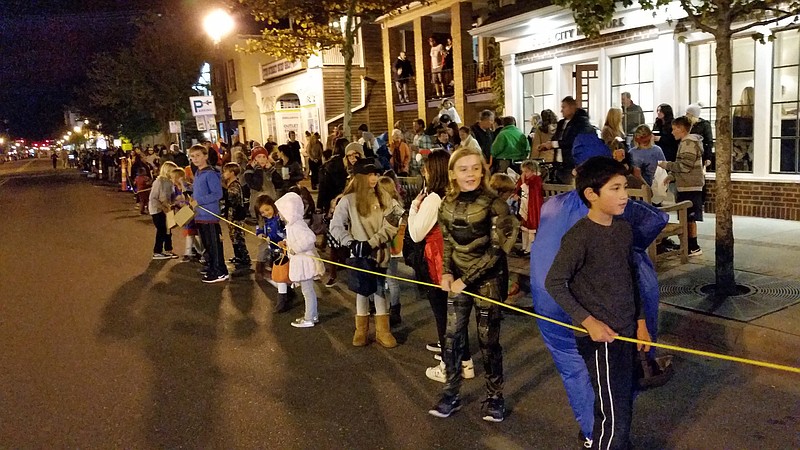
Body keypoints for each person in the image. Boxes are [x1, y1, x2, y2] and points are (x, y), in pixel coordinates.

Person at [545, 156, 652, 450]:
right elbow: (554, 282)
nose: (624, 195)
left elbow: (632, 279)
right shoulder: (579, 237)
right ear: (591, 195)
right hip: (601, 339)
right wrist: (589, 323)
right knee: (613, 413)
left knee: (619, 402)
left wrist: (641, 323)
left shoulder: (623, 230)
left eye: (624, 187)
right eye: (615, 189)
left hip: (626, 331)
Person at [428, 147, 516, 423]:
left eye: (475, 168)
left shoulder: (495, 204)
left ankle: (495, 397)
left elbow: (497, 250)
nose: (470, 174)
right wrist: (445, 274)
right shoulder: (447, 204)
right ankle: (451, 393)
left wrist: (464, 280)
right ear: (452, 174)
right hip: (458, 280)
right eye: (463, 169)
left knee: (488, 340)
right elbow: (450, 243)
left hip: (488, 279)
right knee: (452, 338)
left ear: (483, 170)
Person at [408, 150, 476, 381]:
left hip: (438, 261)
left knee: (443, 314)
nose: (423, 172)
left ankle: (450, 366)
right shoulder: (458, 194)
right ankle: (465, 361)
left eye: (426, 168)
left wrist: (413, 209)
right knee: (457, 313)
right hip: (460, 259)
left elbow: (417, 233)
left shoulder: (434, 198)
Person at [330, 158, 400, 349]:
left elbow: (394, 222)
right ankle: (361, 329)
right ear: (359, 177)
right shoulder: (347, 200)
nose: (375, 178)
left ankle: (383, 331)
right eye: (370, 174)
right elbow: (335, 226)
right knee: (361, 290)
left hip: (378, 253)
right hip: (359, 255)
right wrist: (351, 243)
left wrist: (371, 243)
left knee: (379, 289)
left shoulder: (384, 197)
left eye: (377, 174)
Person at [274, 192, 326, 328]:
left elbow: (310, 238)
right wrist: (286, 242)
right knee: (307, 290)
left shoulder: (297, 225)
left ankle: (310, 317)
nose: (280, 215)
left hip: (304, 263)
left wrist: (295, 248)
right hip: (302, 263)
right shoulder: (293, 225)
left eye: (282, 212)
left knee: (307, 291)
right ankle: (311, 315)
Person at [659, 116, 705, 256]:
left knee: (689, 217)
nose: (672, 132)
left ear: (681, 129)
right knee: (687, 217)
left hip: (690, 186)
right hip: (687, 185)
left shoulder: (688, 143)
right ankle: (689, 244)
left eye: (674, 129)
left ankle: (693, 246)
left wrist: (665, 165)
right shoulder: (686, 143)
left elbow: (685, 166)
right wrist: (671, 176)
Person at [188, 144, 229, 283]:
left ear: (205, 156)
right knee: (207, 244)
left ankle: (219, 271)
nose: (195, 159)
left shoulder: (210, 173)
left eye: (198, 155)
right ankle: (212, 265)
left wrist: (199, 201)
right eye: (193, 156)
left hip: (210, 214)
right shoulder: (198, 173)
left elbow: (217, 193)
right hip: (200, 214)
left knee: (214, 244)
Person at [538, 96, 595, 184]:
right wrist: (547, 145)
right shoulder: (561, 123)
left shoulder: (581, 123)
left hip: (573, 164)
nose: (561, 110)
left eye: (564, 107)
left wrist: (553, 144)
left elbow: (573, 141)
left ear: (572, 108)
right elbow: (556, 138)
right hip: (559, 165)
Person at [377, 176, 407, 327]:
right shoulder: (385, 204)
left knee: (391, 280)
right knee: (386, 279)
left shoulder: (394, 207)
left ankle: (395, 310)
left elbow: (390, 228)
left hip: (392, 248)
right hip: (385, 247)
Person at [254, 194, 292, 312]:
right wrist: (260, 233)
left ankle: (282, 301)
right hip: (273, 251)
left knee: (281, 277)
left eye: (267, 209)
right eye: (262, 212)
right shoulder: (265, 222)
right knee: (280, 276)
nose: (266, 213)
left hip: (283, 251)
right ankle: (287, 293)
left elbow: (286, 233)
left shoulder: (280, 220)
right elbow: (259, 229)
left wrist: (282, 241)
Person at [222, 163, 251, 272]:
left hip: (236, 215)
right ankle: (238, 256)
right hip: (231, 215)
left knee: (238, 236)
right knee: (233, 236)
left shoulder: (234, 185)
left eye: (226, 171)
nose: (224, 174)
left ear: (232, 172)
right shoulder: (230, 184)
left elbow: (233, 199)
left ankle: (244, 257)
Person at [170, 168, 204, 263]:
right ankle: (198, 251)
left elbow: (189, 198)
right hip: (185, 212)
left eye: (173, 178)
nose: (171, 180)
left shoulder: (187, 187)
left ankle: (190, 252)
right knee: (191, 233)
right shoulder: (176, 189)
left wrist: (183, 184)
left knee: (191, 232)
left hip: (192, 212)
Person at [148, 161, 180, 260]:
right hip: (158, 209)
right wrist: (167, 206)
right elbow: (159, 198)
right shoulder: (161, 181)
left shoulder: (168, 182)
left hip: (166, 209)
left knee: (168, 230)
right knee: (162, 230)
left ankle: (168, 249)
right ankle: (157, 251)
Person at [516, 160, 544, 255]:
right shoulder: (527, 180)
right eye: (523, 172)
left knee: (531, 228)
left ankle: (530, 248)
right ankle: (524, 247)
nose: (524, 174)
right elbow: (519, 189)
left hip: (533, 207)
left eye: (526, 172)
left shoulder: (536, 180)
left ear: (532, 171)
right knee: (525, 227)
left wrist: (523, 182)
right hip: (526, 206)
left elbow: (528, 192)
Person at [685, 103, 714, 171]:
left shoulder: (704, 125)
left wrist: (708, 157)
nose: (686, 116)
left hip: (700, 155)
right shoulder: (687, 125)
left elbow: (708, 142)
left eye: (687, 114)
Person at [732, 86, 755, 171]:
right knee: (753, 164)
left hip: (739, 141)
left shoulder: (738, 109)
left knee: (739, 165)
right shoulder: (756, 109)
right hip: (753, 141)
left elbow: (734, 127)